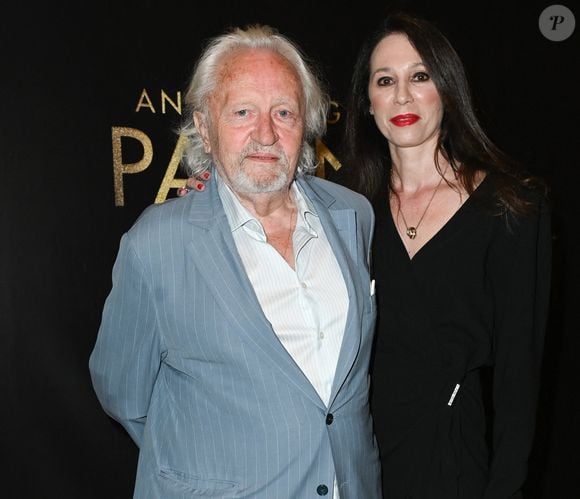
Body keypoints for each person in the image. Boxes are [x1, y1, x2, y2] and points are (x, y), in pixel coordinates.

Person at [89, 24, 381, 499]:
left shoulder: (353, 215)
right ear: (204, 124)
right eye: (242, 111)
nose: (265, 134)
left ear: (305, 123)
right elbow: (123, 395)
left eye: (283, 112)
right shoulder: (157, 244)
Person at [340, 12, 552, 499]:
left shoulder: (510, 205)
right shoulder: (344, 210)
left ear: (448, 89)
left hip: (454, 463)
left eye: (420, 76)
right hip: (357, 463)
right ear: (366, 102)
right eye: (385, 80)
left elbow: (519, 379)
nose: (402, 96)